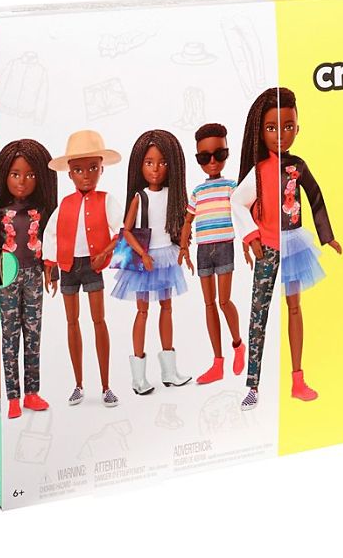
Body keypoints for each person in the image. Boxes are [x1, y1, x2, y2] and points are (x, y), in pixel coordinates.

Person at [231, 87, 342, 411]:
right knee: (259, 314)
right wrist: (251, 236)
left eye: (288, 126)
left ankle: (297, 379)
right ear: (260, 131)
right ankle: (252, 385)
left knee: (295, 308)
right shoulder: (259, 170)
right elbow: (237, 201)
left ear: (298, 127)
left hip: (294, 246)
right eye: (272, 127)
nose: (281, 134)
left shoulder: (298, 166)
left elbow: (315, 197)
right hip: (267, 246)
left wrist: (326, 236)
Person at [43, 130, 123, 407]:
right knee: (72, 322)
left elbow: (123, 230)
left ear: (101, 168)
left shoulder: (106, 200)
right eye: (78, 170)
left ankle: (106, 386)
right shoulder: (65, 204)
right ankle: (78, 384)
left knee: (99, 321)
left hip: (93, 266)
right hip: (68, 266)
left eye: (92, 168)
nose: (86, 175)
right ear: (69, 174)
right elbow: (50, 234)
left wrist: (106, 252)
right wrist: (50, 266)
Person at [112, 129, 190, 393]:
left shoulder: (173, 195)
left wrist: (183, 247)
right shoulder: (140, 197)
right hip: (145, 259)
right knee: (142, 311)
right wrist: (143, 254)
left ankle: (169, 370)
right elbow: (126, 230)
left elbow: (182, 224)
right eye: (149, 162)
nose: (155, 169)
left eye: (162, 162)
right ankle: (138, 377)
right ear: (139, 165)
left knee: (167, 308)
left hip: (166, 256)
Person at [179, 123, 245, 385]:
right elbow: (187, 221)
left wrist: (248, 242)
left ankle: (238, 344)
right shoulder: (197, 192)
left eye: (220, 154)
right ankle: (217, 362)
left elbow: (242, 214)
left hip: (225, 246)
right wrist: (184, 248)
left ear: (227, 153)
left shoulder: (231, 186)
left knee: (224, 301)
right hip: (203, 250)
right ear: (198, 159)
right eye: (204, 158)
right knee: (209, 304)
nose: (213, 162)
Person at [0, 139, 58, 418]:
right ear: (4, 175)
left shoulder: (42, 212)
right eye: (15, 174)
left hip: (34, 274)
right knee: (9, 335)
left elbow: (51, 242)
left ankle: (32, 393)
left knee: (33, 333)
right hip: (7, 275)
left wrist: (52, 271)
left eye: (30, 175)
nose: (22, 181)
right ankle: (13, 397)